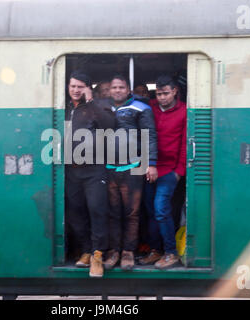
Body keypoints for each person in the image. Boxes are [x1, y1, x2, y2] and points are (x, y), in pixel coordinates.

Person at [103, 75, 158, 270]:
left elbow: (149, 136)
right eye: (114, 87)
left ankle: (128, 252)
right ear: (110, 90)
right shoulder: (104, 108)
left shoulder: (141, 108)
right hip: (109, 168)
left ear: (128, 90)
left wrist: (151, 163)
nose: (117, 90)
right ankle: (113, 252)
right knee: (112, 213)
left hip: (133, 168)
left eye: (121, 87)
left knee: (131, 213)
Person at [65, 71, 115, 277]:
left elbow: (110, 126)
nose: (76, 90)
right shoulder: (64, 108)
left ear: (87, 88)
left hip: (94, 169)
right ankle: (86, 250)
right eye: (73, 86)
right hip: (71, 170)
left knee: (97, 210)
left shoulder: (98, 106)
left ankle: (97, 254)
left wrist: (91, 101)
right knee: (75, 212)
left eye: (80, 87)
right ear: (68, 87)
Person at [139, 75, 187, 269]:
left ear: (175, 91)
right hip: (149, 168)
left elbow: (185, 143)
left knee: (160, 209)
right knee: (151, 211)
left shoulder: (184, 111)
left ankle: (171, 252)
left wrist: (179, 171)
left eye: (166, 93)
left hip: (169, 171)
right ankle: (155, 250)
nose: (162, 98)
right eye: (158, 94)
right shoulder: (149, 107)